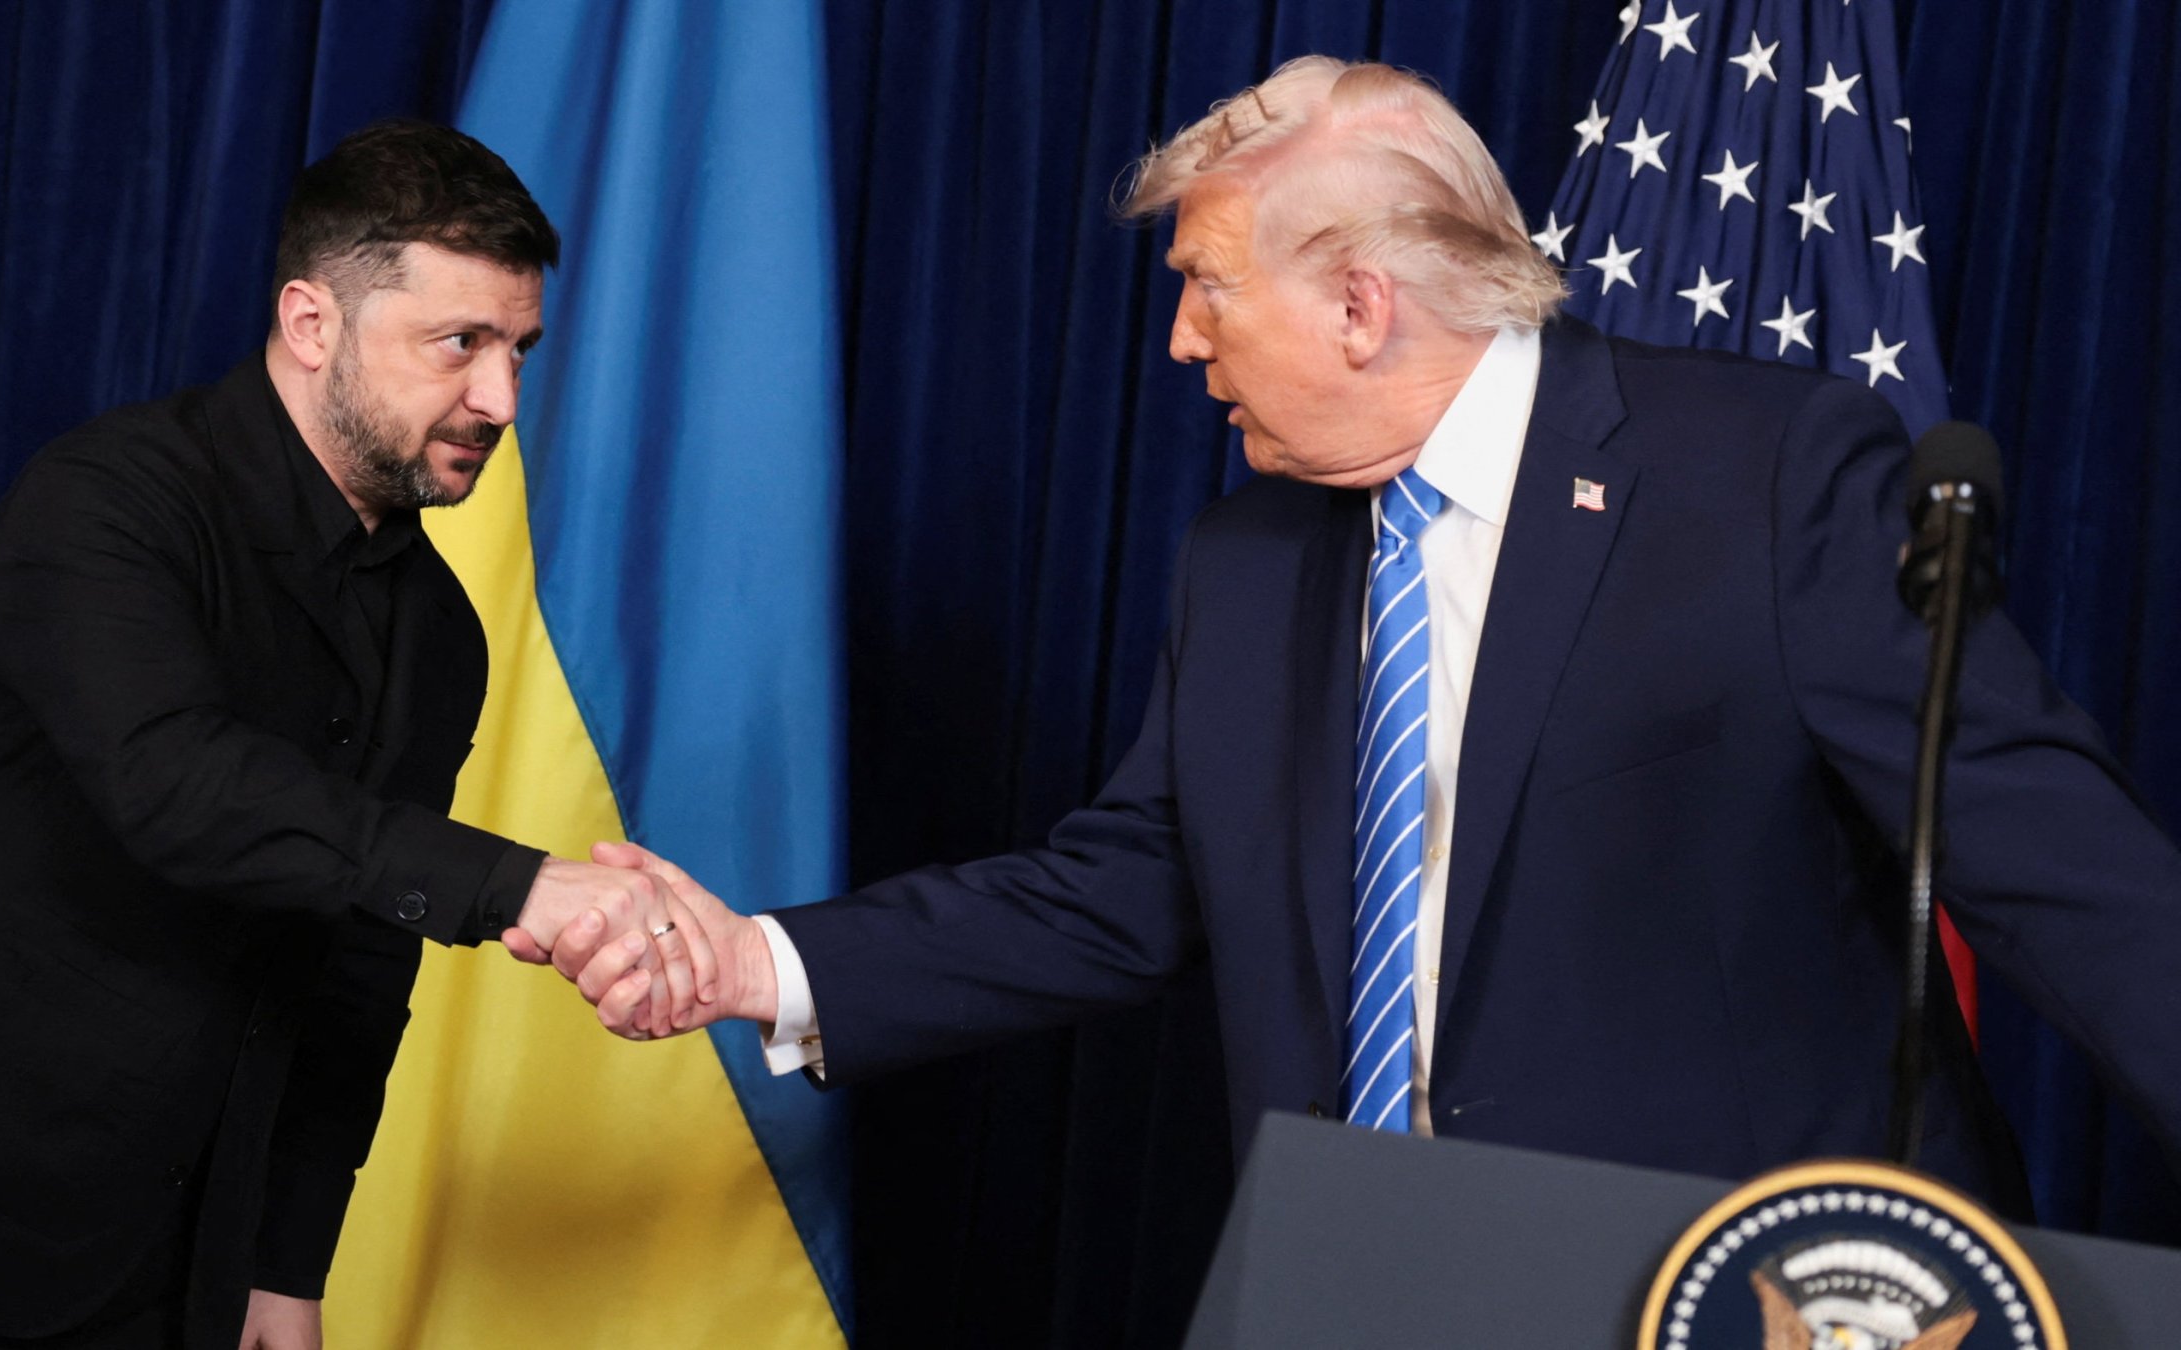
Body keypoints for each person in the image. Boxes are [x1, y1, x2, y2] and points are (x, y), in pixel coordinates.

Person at [552, 58, 2181, 1212]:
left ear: (1358, 303)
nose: (1184, 343)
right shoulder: (1249, 559)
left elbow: (2050, 860)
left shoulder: (1763, 478)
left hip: (1731, 1290)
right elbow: (1118, 894)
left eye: (1204, 288)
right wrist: (756, 962)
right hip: (1366, 1282)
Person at [0, 120, 711, 1350]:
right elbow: (178, 784)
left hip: (172, 1271)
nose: (500, 399)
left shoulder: (441, 633)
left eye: (519, 352)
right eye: (460, 343)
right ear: (312, 323)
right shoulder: (108, 499)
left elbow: (364, 971)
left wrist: (287, 1262)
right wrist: (515, 885)